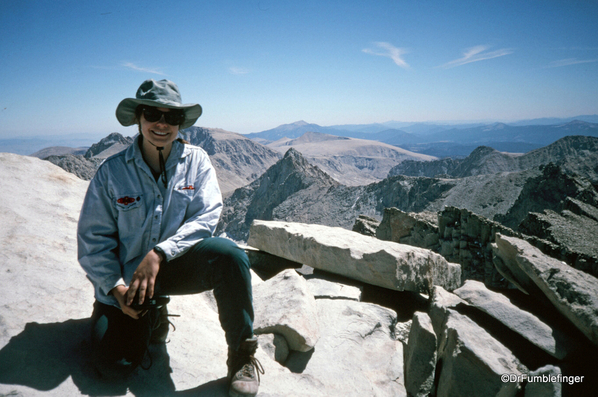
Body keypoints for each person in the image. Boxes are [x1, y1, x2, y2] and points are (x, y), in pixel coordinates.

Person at [77, 79, 263, 397]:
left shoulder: (197, 162)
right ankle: (148, 316)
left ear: (180, 123)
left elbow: (206, 217)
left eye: (172, 117)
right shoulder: (112, 172)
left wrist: (159, 254)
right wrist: (117, 290)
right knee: (113, 368)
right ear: (139, 118)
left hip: (172, 264)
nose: (162, 124)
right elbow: (93, 240)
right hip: (127, 280)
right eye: (152, 114)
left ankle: (242, 357)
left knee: (231, 256)